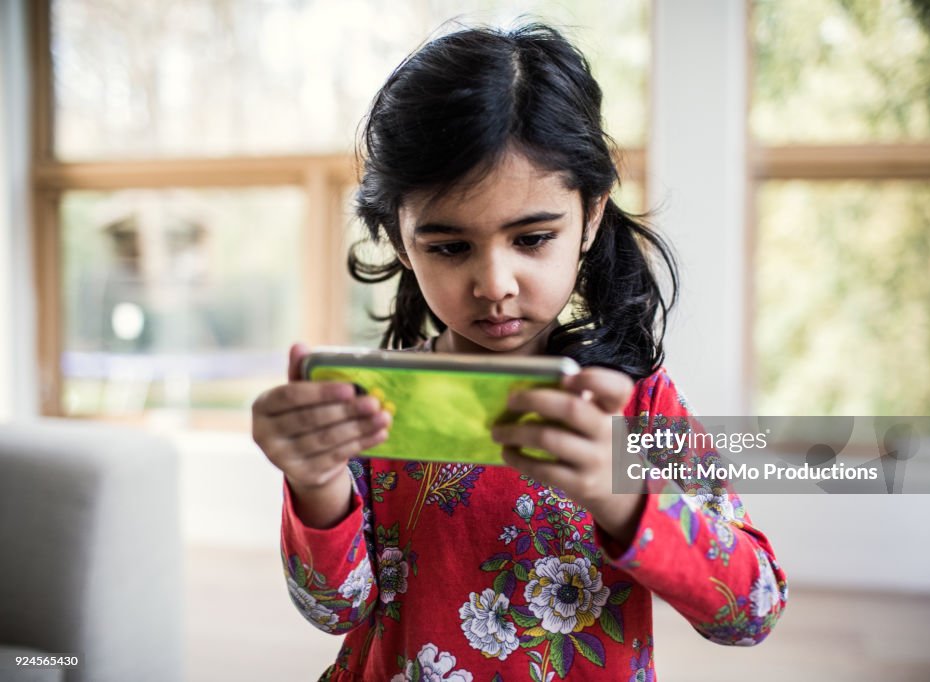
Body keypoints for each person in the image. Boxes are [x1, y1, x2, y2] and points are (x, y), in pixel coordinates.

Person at [252, 23, 786, 681]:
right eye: (449, 247)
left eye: (531, 238)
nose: (494, 284)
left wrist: (622, 497)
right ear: (398, 238)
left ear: (590, 215)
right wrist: (315, 483)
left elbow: (751, 609)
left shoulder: (639, 403)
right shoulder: (375, 408)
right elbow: (334, 609)